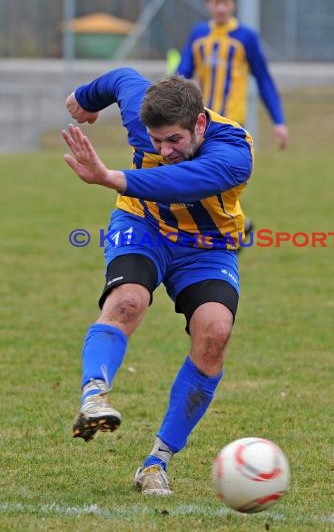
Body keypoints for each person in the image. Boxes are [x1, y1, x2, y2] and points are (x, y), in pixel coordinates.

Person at [62, 68, 255, 496]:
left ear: (199, 124)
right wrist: (84, 98)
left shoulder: (234, 150)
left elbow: (184, 183)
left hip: (208, 245)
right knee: (127, 301)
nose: (164, 150)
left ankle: (156, 462)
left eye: (175, 140)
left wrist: (112, 177)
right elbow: (122, 78)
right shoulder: (142, 111)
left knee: (215, 334)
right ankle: (93, 396)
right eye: (157, 140)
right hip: (142, 224)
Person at [177, 0, 288, 237]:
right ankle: (234, 225)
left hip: (230, 122)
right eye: (216, 2)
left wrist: (278, 121)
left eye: (225, 2)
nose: (221, 7)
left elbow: (263, 79)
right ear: (208, 5)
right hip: (201, 121)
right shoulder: (198, 34)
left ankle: (228, 226)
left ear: (233, 5)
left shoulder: (245, 37)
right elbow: (183, 72)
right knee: (199, 175)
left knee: (217, 174)